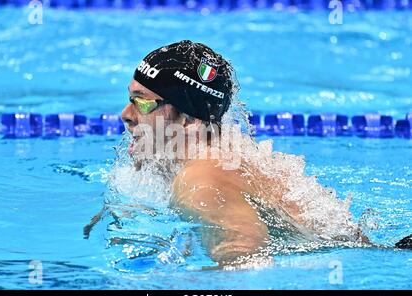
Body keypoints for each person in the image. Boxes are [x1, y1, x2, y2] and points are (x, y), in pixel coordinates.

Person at [86, 40, 411, 266]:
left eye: (143, 102)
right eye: (130, 98)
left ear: (187, 118)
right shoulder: (217, 154)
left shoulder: (199, 180)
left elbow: (245, 266)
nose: (126, 113)